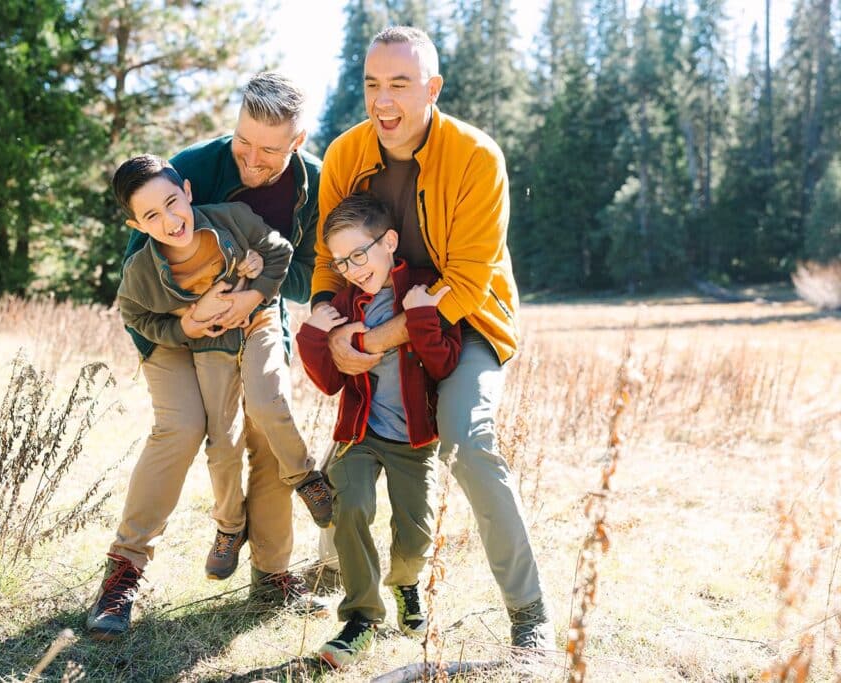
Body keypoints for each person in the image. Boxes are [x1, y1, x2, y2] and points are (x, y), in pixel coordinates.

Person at [312, 27, 556, 653]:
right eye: (372, 84)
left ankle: (530, 620)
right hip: (374, 321)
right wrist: (329, 324)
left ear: (433, 88)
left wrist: (378, 339)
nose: (383, 101)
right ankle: (358, 595)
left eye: (400, 84)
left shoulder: (476, 157)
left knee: (469, 446)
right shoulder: (344, 155)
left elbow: (469, 283)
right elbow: (324, 258)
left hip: (465, 323)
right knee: (358, 447)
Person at [86, 73, 326, 641]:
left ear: (299, 139)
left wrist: (250, 296)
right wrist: (185, 323)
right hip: (170, 324)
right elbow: (139, 271)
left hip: (252, 312)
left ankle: (272, 571)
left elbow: (307, 268)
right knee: (182, 427)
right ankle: (123, 572)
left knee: (267, 426)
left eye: (269, 149)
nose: (251, 158)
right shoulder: (191, 167)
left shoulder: (312, 184)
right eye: (243, 141)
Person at [113, 153, 332, 560]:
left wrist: (256, 285)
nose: (170, 220)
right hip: (209, 346)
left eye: (173, 203)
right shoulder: (143, 270)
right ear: (137, 227)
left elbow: (280, 251)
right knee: (223, 442)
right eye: (152, 216)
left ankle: (306, 477)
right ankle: (230, 525)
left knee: (269, 403)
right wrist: (184, 329)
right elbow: (134, 313)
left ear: (188, 191)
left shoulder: (231, 218)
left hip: (257, 323)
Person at [297, 193, 461, 667]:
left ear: (389, 241)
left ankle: (407, 585)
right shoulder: (346, 305)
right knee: (351, 508)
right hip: (359, 434)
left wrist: (423, 316)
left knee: (415, 533)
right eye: (341, 261)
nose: (350, 268)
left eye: (359, 254)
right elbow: (330, 381)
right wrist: (314, 334)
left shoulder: (425, 288)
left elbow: (444, 362)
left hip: (414, 440)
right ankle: (361, 617)